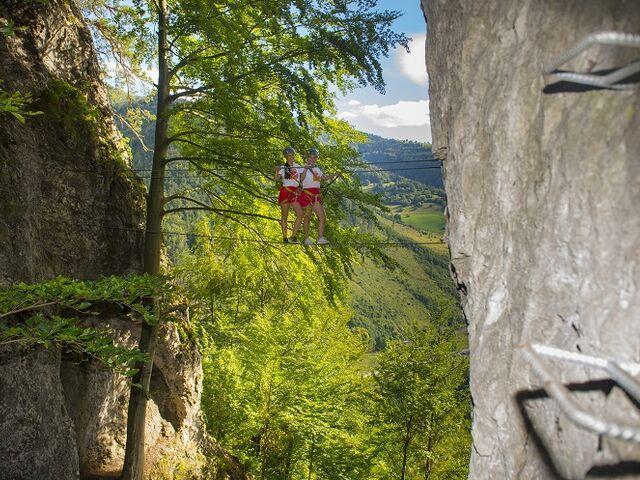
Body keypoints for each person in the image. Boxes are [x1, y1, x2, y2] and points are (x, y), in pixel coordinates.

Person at [299, 148, 340, 245]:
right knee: (307, 217)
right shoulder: (302, 168)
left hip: (316, 196)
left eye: (315, 157)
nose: (313, 159)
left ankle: (320, 238)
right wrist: (305, 169)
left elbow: (323, 178)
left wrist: (334, 174)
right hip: (307, 195)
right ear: (307, 157)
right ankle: (307, 238)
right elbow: (301, 179)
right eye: (311, 157)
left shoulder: (317, 169)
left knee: (322, 217)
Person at [274, 146, 304, 243]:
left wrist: (306, 168)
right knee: (284, 215)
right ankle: (285, 237)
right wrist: (277, 170)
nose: (290, 157)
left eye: (292, 155)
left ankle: (294, 236)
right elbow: (276, 179)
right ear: (286, 157)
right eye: (288, 155)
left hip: (295, 193)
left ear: (294, 156)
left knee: (300, 214)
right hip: (286, 192)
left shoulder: (298, 167)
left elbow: (302, 178)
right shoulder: (283, 168)